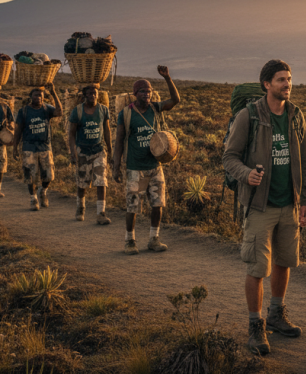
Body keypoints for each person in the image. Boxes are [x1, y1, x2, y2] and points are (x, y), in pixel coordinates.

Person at [222, 59, 306, 356]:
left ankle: (276, 314)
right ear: (266, 84)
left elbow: (305, 162)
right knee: (258, 267)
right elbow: (229, 157)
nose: (287, 84)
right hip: (260, 205)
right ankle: (255, 325)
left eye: (289, 79)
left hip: (290, 203)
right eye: (281, 80)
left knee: (284, 261)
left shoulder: (296, 116)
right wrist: (246, 174)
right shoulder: (250, 116)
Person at [111, 66, 180, 255]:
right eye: (143, 91)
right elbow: (119, 142)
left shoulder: (156, 108)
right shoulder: (126, 114)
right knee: (132, 206)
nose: (147, 94)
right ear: (135, 94)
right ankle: (130, 241)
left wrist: (167, 78)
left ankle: (153, 239)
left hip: (155, 166)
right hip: (135, 167)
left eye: (149, 91)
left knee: (158, 204)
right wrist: (116, 167)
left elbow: (175, 100)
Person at [67, 83, 112, 225]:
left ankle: (101, 213)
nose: (93, 95)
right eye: (90, 93)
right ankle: (80, 208)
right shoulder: (77, 111)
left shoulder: (103, 110)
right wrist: (73, 152)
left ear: (98, 95)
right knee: (82, 182)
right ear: (84, 95)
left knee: (101, 181)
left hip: (98, 150)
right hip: (83, 151)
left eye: (95, 93)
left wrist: (110, 150)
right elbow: (72, 134)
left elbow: (107, 131)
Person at [13, 84, 63, 211]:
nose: (39, 97)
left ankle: (43, 191)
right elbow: (18, 130)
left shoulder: (47, 109)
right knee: (30, 176)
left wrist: (53, 92)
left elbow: (59, 112)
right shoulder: (24, 111)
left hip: (45, 147)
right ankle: (33, 198)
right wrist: (15, 148)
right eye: (36, 95)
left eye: (41, 95)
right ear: (30, 97)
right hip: (29, 147)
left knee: (49, 176)